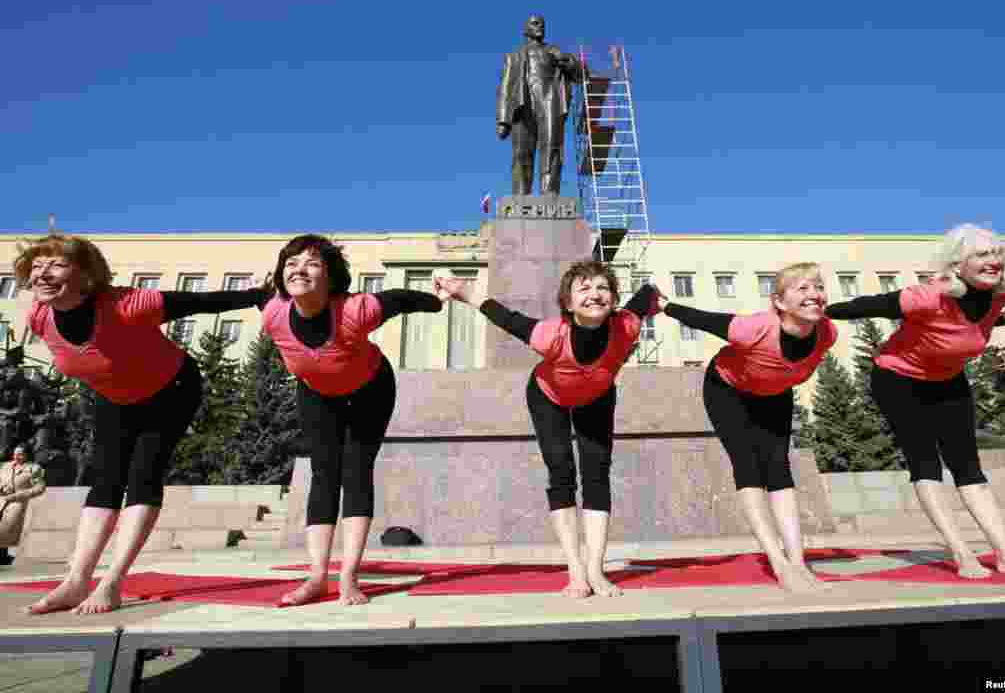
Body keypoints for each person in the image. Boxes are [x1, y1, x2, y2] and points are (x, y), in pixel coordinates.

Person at [14, 234, 266, 614]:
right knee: (104, 479)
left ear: (85, 275)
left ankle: (113, 582)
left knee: (142, 476)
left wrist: (259, 293)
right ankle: (76, 580)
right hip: (115, 395)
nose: (42, 274)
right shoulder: (39, 316)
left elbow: (202, 301)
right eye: (36, 266)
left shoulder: (127, 304)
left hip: (170, 389)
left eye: (56, 265)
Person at [436, 260, 659, 598]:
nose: (595, 294)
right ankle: (575, 569)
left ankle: (596, 570)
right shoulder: (550, 335)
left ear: (613, 299)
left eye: (602, 288)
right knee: (561, 470)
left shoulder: (626, 325)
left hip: (596, 396)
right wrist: (463, 291)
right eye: (583, 289)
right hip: (548, 397)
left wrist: (659, 297)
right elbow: (506, 319)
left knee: (597, 472)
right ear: (568, 304)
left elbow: (644, 298)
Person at [826, 224, 1005, 578]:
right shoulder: (928, 296)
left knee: (968, 468)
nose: (993, 261)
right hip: (898, 380)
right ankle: (961, 553)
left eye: (997, 254)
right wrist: (816, 311)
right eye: (981, 255)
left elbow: (970, 328)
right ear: (956, 264)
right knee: (926, 463)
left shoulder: (999, 297)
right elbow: (866, 305)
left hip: (948, 381)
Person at [261, 235, 443, 607]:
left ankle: (349, 576)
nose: (299, 269)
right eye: (291, 263)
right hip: (316, 392)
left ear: (331, 277)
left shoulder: (355, 310)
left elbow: (401, 298)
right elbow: (217, 300)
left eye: (312, 263)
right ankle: (316, 576)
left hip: (369, 389)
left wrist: (438, 299)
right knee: (324, 473)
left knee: (356, 470)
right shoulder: (274, 312)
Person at [661, 262, 837, 592]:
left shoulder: (827, 333)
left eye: (818, 286)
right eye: (802, 288)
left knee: (778, 467)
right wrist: (664, 305)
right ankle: (779, 562)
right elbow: (704, 320)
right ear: (779, 303)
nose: (814, 294)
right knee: (748, 466)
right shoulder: (753, 328)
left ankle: (798, 562)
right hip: (728, 390)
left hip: (773, 394)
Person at [497, 14, 582, 196]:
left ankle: (549, 193)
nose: (540, 27)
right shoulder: (513, 56)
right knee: (521, 151)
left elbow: (581, 75)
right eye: (535, 24)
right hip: (522, 103)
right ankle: (520, 195)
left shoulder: (554, 51)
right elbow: (505, 88)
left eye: (542, 24)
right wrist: (503, 120)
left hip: (549, 100)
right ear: (525, 29)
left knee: (552, 146)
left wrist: (568, 62)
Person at [0, 444, 46, 565]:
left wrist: (20, 495)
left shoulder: (34, 468)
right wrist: (2, 487)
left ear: (27, 455)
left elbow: (40, 488)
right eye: (15, 453)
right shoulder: (6, 466)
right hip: (1, 500)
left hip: (17, 503)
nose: (16, 456)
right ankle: (3, 556)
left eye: (20, 454)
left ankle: (4, 557)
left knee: (7, 531)